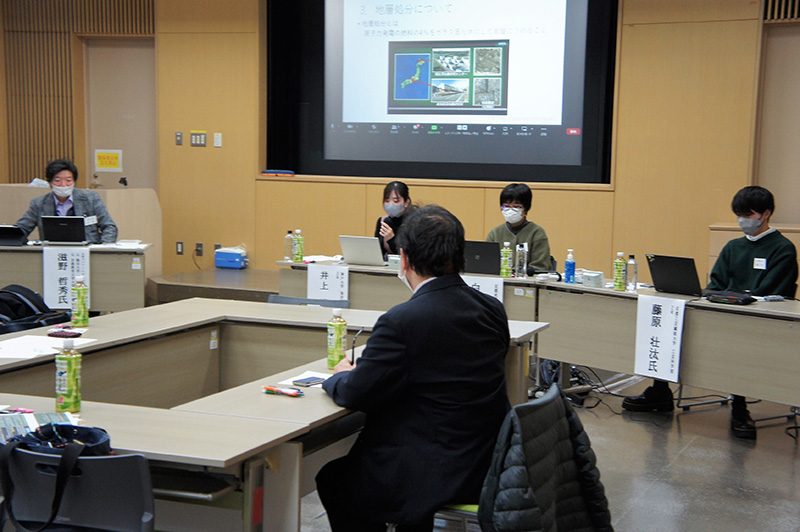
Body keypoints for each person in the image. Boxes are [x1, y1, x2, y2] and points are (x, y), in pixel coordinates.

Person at [316, 205, 511, 531]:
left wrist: (340, 376)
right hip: (486, 464)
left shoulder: (402, 321)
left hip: (430, 472)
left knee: (335, 480)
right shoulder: (492, 309)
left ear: (403, 259)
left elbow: (356, 392)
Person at [622, 186, 797, 440]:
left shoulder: (783, 248)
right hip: (723, 311)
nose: (742, 220)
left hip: (756, 320)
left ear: (765, 214)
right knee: (673, 325)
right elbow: (716, 283)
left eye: (747, 214)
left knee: (739, 342)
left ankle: (740, 406)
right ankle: (659, 391)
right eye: (738, 214)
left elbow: (774, 294)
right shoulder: (732, 247)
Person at [15, 159, 118, 244]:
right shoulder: (39, 204)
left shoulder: (91, 199)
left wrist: (102, 248)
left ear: (74, 182)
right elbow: (21, 229)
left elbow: (109, 227)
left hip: (87, 253)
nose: (63, 185)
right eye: (58, 181)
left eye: (68, 180)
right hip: (52, 253)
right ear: (50, 183)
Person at [486, 183, 551, 272]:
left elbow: (540, 267)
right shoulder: (495, 233)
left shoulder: (537, 233)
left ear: (526, 209)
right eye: (506, 206)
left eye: (516, 207)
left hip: (527, 283)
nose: (510, 210)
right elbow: (487, 263)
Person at [374, 180, 414, 259]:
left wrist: (391, 239)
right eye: (387, 201)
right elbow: (378, 253)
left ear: (406, 203)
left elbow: (408, 255)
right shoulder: (383, 221)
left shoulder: (413, 223)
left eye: (396, 201)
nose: (390, 205)